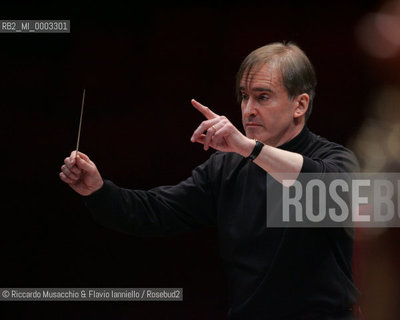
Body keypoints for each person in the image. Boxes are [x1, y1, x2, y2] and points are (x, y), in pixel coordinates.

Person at [59, 42, 359, 319]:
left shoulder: (336, 160)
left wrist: (247, 147)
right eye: (244, 96)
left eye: (262, 97)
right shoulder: (226, 168)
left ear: (300, 105)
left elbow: (326, 186)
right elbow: (155, 212)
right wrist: (98, 190)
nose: (248, 109)